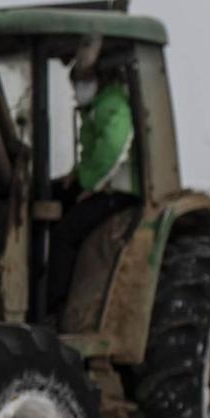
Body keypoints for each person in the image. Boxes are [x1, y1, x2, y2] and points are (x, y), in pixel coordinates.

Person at [48, 40, 143, 310]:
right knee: (49, 198)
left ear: (100, 79)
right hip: (103, 185)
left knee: (65, 235)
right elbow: (94, 151)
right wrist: (76, 175)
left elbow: (114, 147)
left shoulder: (113, 105)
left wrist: (89, 183)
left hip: (119, 192)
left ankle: (57, 306)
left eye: (83, 79)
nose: (78, 88)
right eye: (76, 80)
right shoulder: (98, 108)